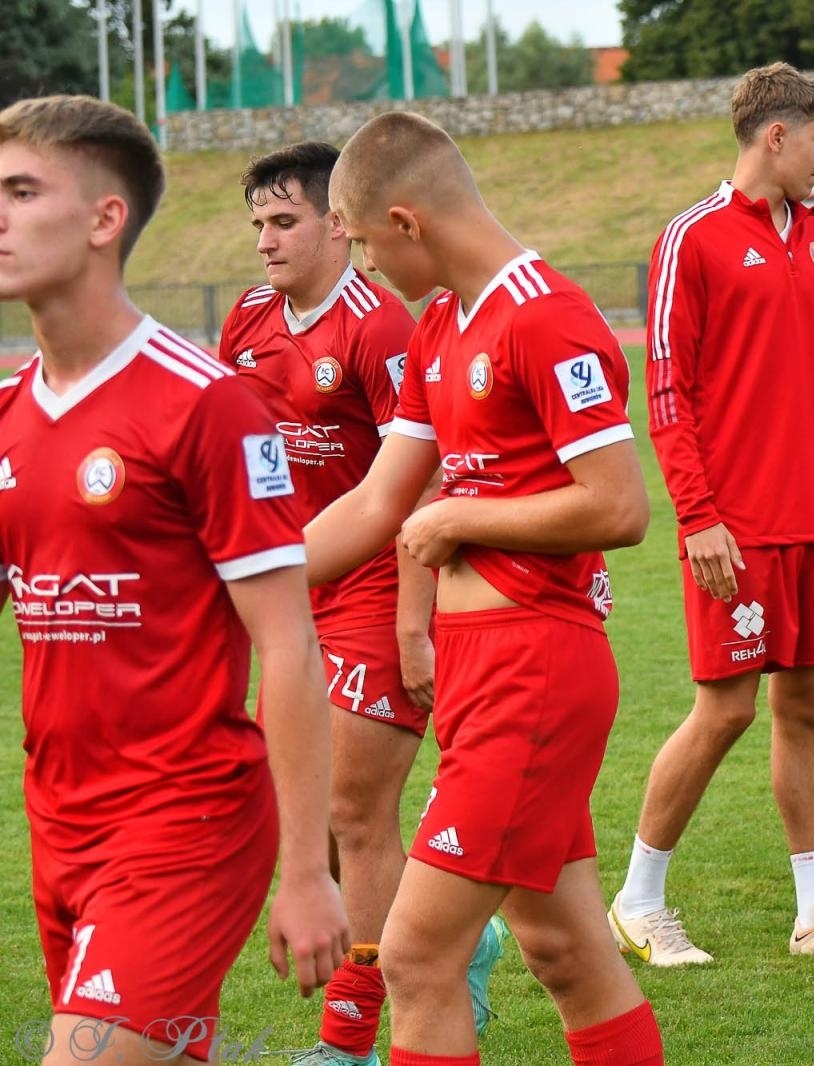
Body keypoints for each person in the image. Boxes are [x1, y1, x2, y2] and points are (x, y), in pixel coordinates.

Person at [306, 111, 664, 1064]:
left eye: (366, 245)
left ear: (405, 221)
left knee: (417, 957)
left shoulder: (545, 316)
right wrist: (237, 585)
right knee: (564, 950)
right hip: (477, 675)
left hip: (531, 672)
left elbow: (619, 506)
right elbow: (377, 501)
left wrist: (463, 517)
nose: (366, 267)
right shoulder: (440, 327)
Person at [0, 95, 347, 1064]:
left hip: (184, 824)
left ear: (104, 219)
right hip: (56, 820)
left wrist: (307, 870)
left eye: (21, 193)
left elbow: (289, 642)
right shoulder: (9, 414)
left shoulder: (204, 405)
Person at [608, 62, 814, 967]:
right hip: (733, 526)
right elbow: (666, 388)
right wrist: (698, 515)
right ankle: (637, 900)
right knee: (725, 710)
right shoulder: (690, 238)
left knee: (807, 705)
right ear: (776, 136)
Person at [216, 141, 507, 1066]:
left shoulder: (381, 330)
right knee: (310, 815)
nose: (266, 240)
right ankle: (460, 934)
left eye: (285, 220)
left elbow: (421, 485)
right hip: (290, 589)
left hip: (376, 587)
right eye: (258, 223)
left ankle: (348, 1043)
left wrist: (415, 623)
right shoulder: (247, 319)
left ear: (338, 225)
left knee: (352, 813)